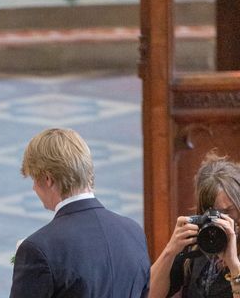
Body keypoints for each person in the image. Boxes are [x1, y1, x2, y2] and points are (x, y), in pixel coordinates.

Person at [10, 127, 150, 297]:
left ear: (48, 179)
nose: (33, 188)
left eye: (34, 179)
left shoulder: (39, 247)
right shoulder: (133, 232)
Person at [149, 152, 240, 298]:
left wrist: (234, 265)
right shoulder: (198, 244)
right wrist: (170, 251)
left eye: (227, 211)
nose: (220, 220)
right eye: (213, 213)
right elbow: (148, 294)